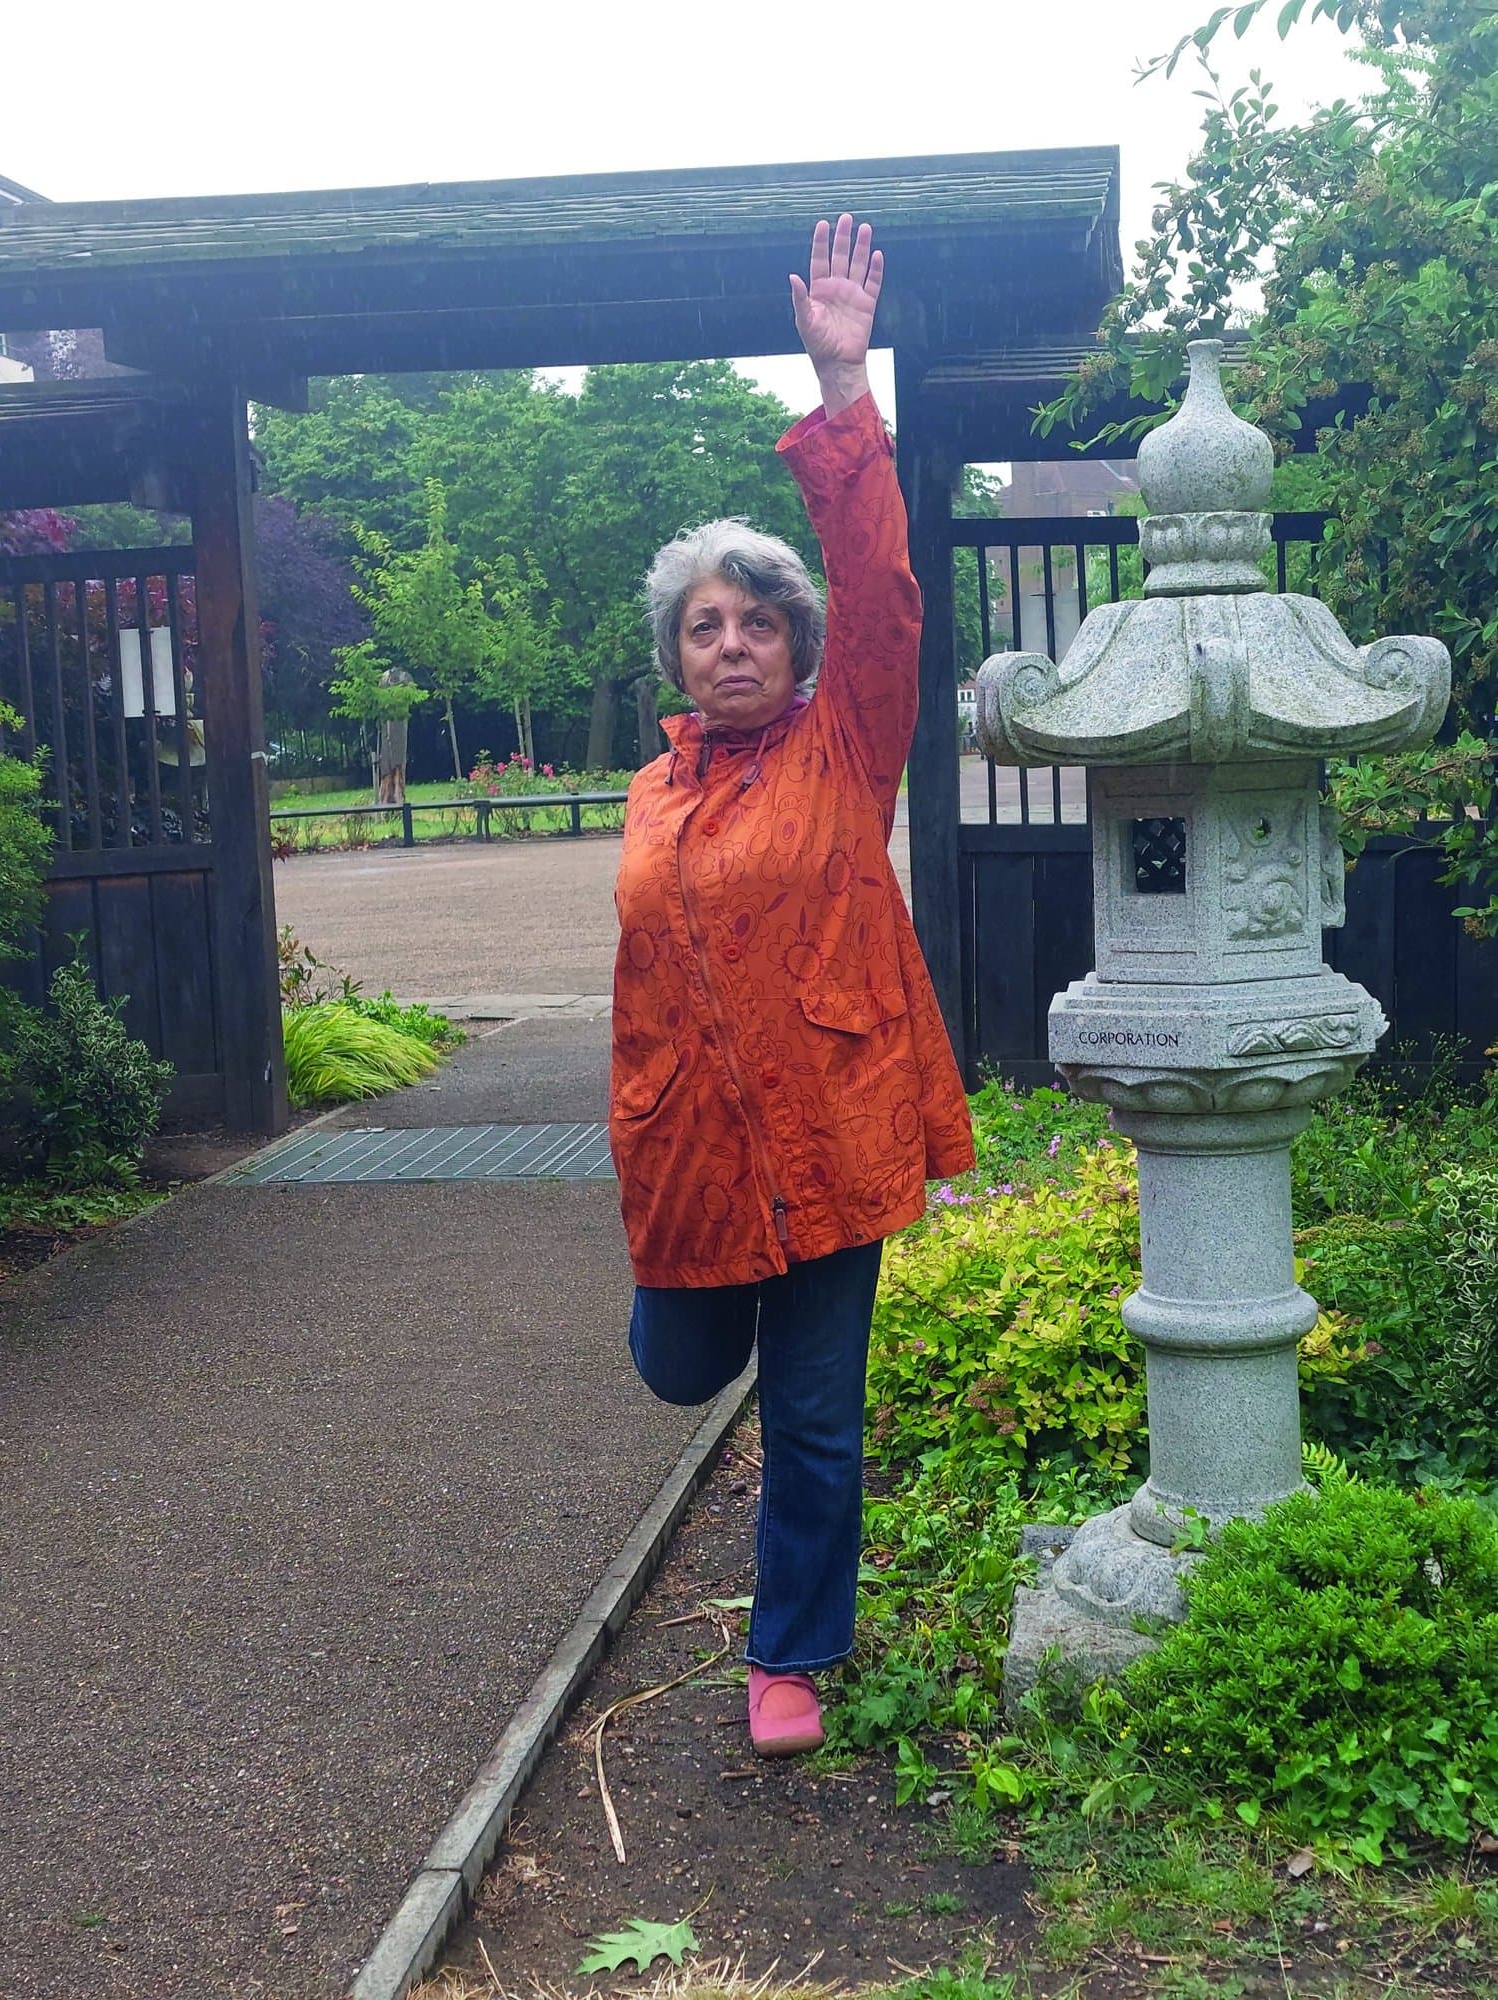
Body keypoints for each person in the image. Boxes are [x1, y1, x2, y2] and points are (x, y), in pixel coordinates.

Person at [610, 215, 974, 1757]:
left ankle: (790, 1658)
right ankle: (720, 1300)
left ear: (798, 645)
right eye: (709, 625)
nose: (736, 641)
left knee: (815, 1411)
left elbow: (880, 585)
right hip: (691, 1147)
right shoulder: (649, 794)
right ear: (677, 657)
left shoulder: (847, 744)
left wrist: (843, 388)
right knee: (677, 1364)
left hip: (830, 1126)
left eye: (762, 621)